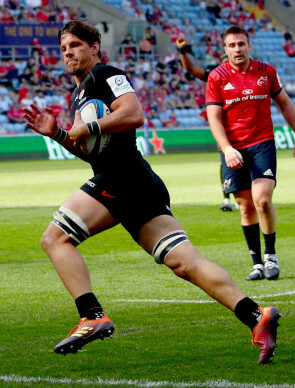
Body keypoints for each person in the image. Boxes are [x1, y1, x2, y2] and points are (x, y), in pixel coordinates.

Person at [22, 20, 280, 364]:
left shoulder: (105, 74)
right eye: (64, 47)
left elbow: (134, 113)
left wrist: (89, 126)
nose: (68, 52)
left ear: (95, 48)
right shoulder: (80, 92)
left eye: (76, 45)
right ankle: (255, 315)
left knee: (54, 239)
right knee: (185, 262)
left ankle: (92, 315)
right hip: (135, 182)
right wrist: (59, 135)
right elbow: (89, 151)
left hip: (121, 177)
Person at [206, 25, 295, 281]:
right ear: (225, 49)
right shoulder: (217, 77)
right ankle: (257, 263)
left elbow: (285, 103)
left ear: (250, 46)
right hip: (233, 148)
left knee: (262, 200)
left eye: (241, 44)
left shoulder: (266, 72)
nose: (237, 49)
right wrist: (227, 148)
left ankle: (271, 255)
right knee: (245, 207)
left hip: (262, 143)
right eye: (232, 45)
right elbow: (214, 118)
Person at [176, 35, 238, 212]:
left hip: (246, 124)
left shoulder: (247, 75)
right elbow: (191, 69)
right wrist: (183, 51)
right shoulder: (216, 76)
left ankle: (246, 196)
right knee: (226, 159)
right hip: (225, 125)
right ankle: (227, 199)